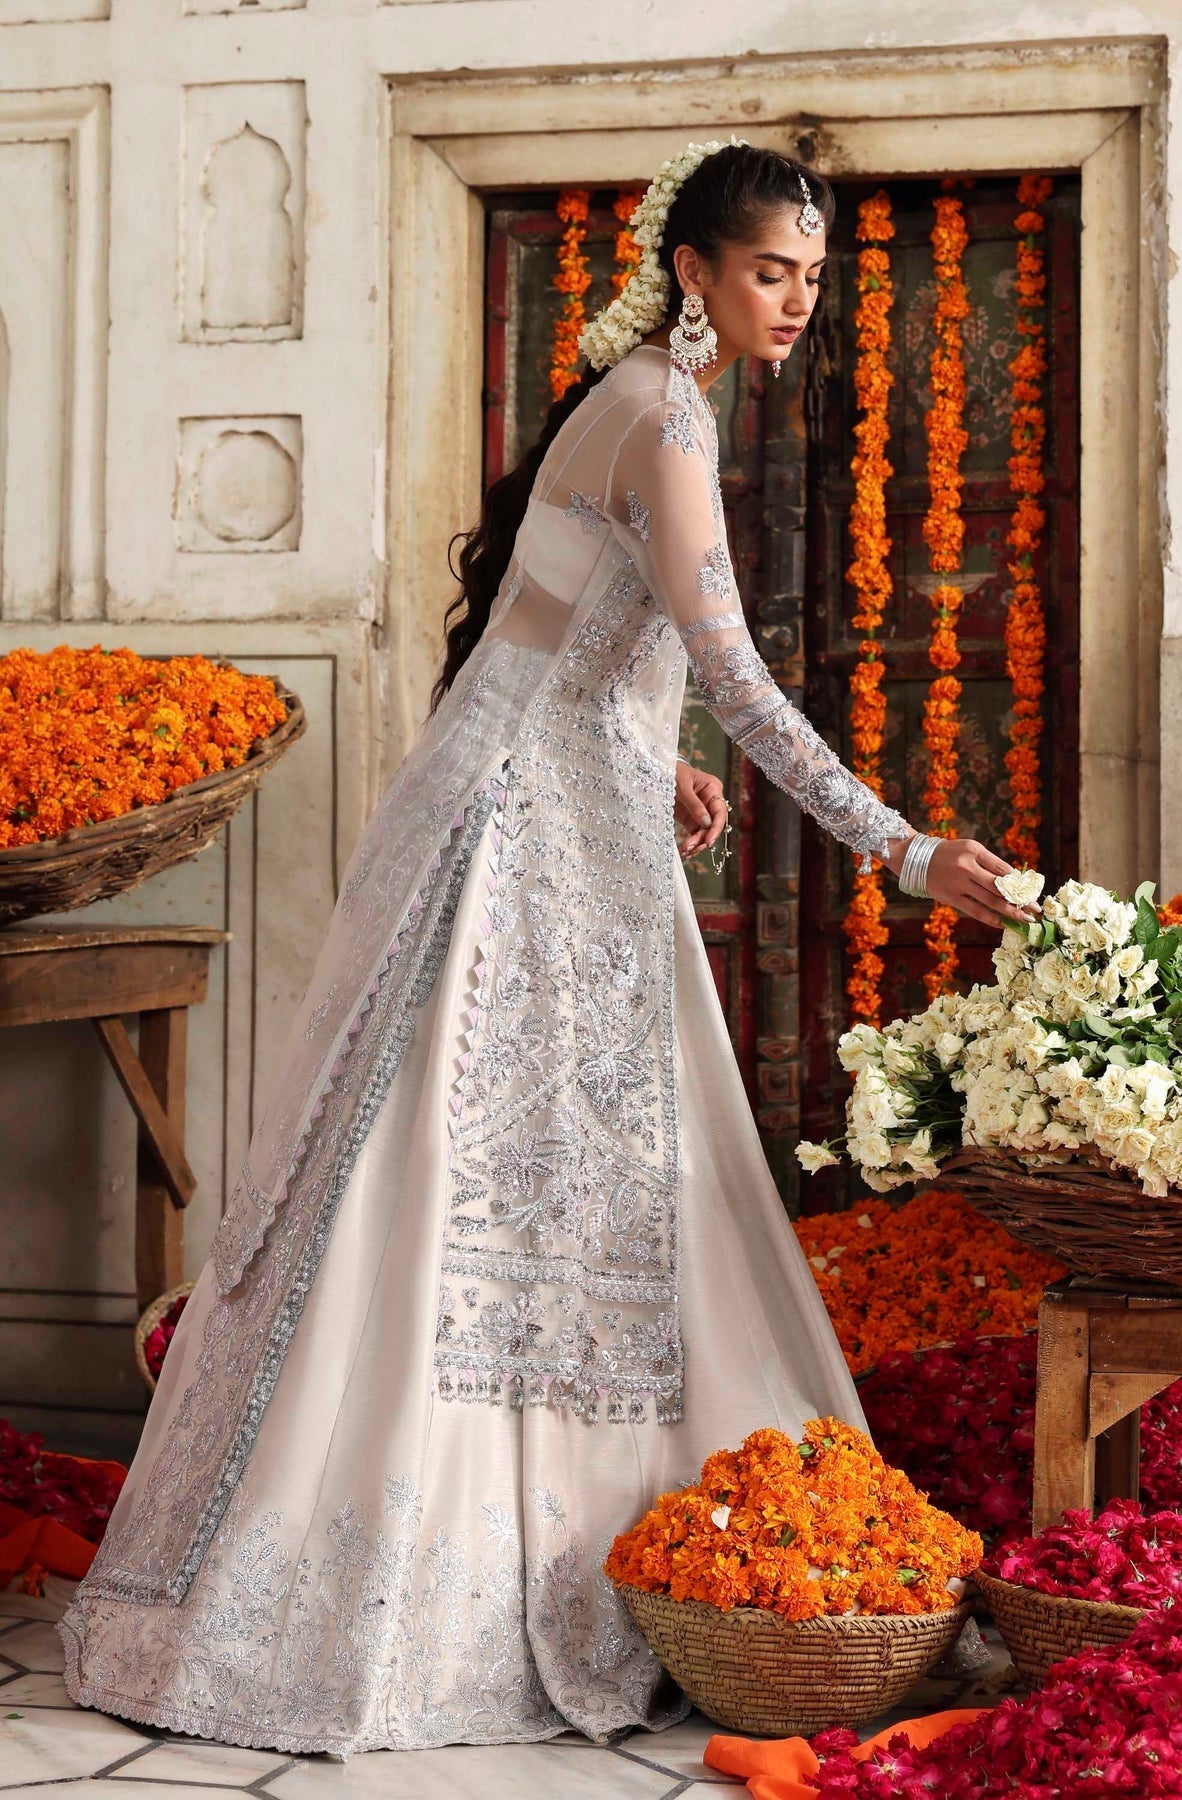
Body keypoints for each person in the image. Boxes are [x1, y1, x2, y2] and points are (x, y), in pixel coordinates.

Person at [55, 139, 1034, 1758]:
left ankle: (611, 1555)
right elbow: (737, 672)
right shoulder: (667, 413)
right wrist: (905, 850)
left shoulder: (646, 397)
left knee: (551, 1177)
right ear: (695, 271)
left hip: (550, 806)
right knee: (472, 1175)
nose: (799, 300)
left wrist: (652, 754)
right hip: (518, 842)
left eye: (813, 275)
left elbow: (568, 631)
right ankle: (442, 1594)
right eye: (771, 270)